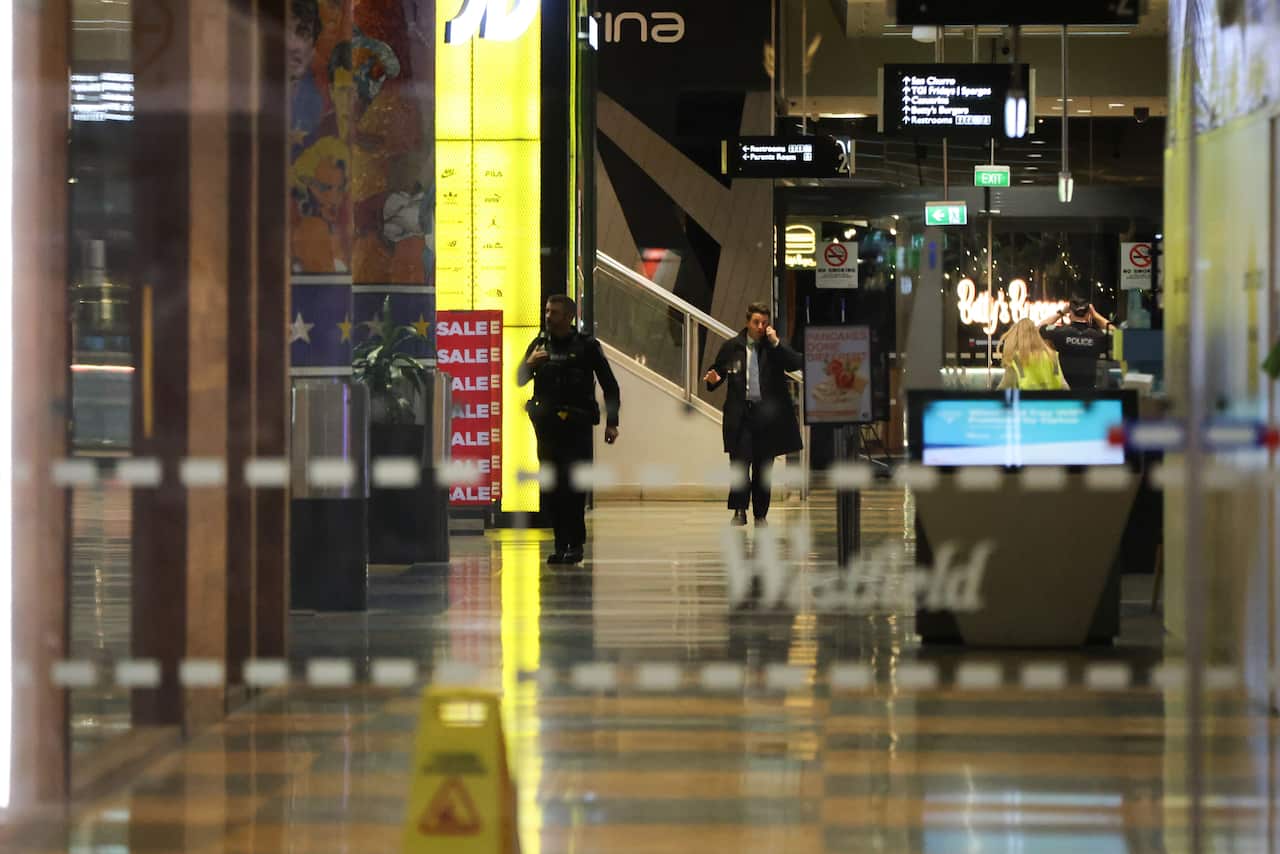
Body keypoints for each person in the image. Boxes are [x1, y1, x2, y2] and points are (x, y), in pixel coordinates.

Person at [518, 295, 620, 565]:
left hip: (577, 426)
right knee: (552, 487)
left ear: (569, 317)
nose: (548, 316)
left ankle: (575, 544)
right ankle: (560, 543)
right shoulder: (540, 344)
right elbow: (518, 379)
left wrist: (613, 422)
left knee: (575, 488)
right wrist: (530, 365)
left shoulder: (587, 346)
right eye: (547, 311)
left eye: (555, 312)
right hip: (547, 428)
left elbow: (610, 385)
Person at [704, 302, 804, 527]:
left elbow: (796, 362)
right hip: (741, 416)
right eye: (756, 322)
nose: (760, 327)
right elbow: (717, 372)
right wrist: (713, 380)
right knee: (739, 464)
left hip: (766, 418)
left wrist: (777, 342)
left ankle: (761, 514)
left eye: (764, 323)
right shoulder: (732, 347)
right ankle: (739, 510)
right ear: (747, 322)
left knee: (763, 468)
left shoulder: (773, 349)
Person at [1039, 295, 1113, 390]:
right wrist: (1095, 315)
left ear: (1070, 313)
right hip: (1088, 391)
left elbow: (1039, 328)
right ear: (1088, 314)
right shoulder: (1097, 336)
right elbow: (1117, 333)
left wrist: (1061, 313)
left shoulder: (1060, 333)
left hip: (1065, 389)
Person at [998, 317, 1068, 390]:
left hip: (1026, 401)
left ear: (1014, 339)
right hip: (1051, 401)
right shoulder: (1052, 356)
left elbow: (1001, 392)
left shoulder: (1016, 360)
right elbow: (1064, 387)